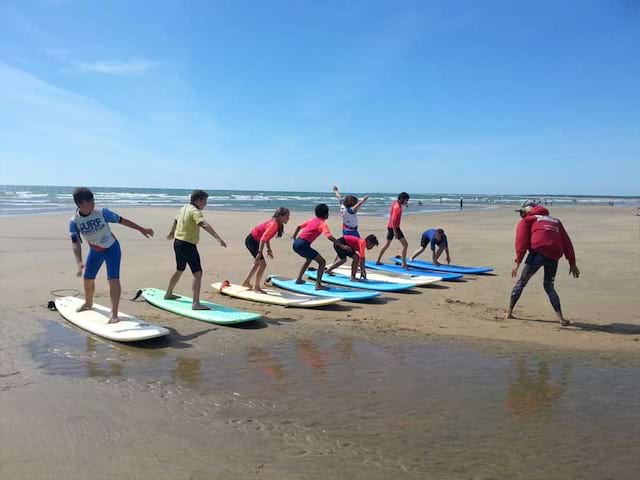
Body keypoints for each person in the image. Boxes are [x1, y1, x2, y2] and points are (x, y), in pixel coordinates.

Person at [69, 187, 154, 323]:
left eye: (93, 200)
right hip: (95, 251)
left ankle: (114, 313)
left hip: (112, 248)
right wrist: (79, 261)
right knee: (88, 278)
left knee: (113, 279)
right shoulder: (74, 222)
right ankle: (88, 303)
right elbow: (75, 243)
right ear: (80, 204)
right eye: (90, 201)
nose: (93, 203)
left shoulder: (102, 213)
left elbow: (123, 220)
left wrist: (141, 229)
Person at [506, 200, 580, 326]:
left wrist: (518, 262)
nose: (521, 216)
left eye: (522, 213)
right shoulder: (555, 221)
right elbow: (567, 243)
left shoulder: (528, 220)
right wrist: (572, 263)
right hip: (554, 255)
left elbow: (521, 242)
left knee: (522, 282)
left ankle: (508, 312)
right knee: (549, 286)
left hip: (537, 254)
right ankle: (560, 318)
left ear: (528, 210)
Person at [165, 190, 227, 310]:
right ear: (198, 200)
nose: (205, 204)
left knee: (179, 269)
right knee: (197, 273)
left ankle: (168, 293)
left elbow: (176, 220)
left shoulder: (184, 208)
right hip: (188, 244)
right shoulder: (195, 211)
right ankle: (195, 303)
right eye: (205, 201)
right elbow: (203, 224)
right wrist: (218, 238)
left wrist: (172, 233)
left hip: (178, 242)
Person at [291, 203, 350, 289]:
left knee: (308, 259)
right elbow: (329, 236)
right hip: (303, 244)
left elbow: (298, 227)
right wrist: (342, 246)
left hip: (296, 244)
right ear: (326, 215)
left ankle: (299, 279)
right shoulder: (322, 224)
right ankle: (318, 285)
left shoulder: (312, 220)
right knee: (322, 262)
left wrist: (293, 237)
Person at [240, 207, 290, 293]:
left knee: (257, 263)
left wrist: (268, 249)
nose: (288, 218)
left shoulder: (277, 223)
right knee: (262, 265)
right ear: (280, 216)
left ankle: (246, 282)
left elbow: (266, 237)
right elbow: (263, 239)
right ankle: (257, 287)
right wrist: (260, 252)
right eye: (287, 216)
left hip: (253, 240)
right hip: (253, 241)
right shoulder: (274, 224)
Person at [375, 192, 410, 268]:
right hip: (394, 228)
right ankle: (404, 264)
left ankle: (378, 261)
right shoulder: (397, 207)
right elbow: (393, 220)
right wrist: (395, 232)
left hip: (391, 227)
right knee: (405, 245)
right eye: (406, 200)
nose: (406, 202)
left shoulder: (395, 203)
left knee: (387, 245)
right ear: (401, 199)